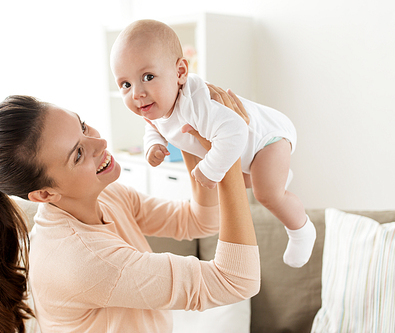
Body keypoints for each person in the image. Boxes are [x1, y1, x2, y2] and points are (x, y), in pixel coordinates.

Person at [0, 86, 260, 333]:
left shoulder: (104, 196)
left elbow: (199, 220)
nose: (100, 142)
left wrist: (188, 135)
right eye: (78, 154)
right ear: (44, 193)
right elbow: (236, 281)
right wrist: (227, 155)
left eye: (82, 126)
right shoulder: (84, 260)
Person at [110, 19, 316, 268]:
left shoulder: (195, 103)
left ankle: (301, 230)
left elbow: (237, 129)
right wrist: (153, 145)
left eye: (148, 76)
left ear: (180, 72)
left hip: (267, 139)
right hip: (246, 155)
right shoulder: (158, 108)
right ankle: (274, 175)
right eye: (125, 84)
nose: (137, 93)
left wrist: (209, 169)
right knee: (240, 182)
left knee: (267, 194)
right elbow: (153, 127)